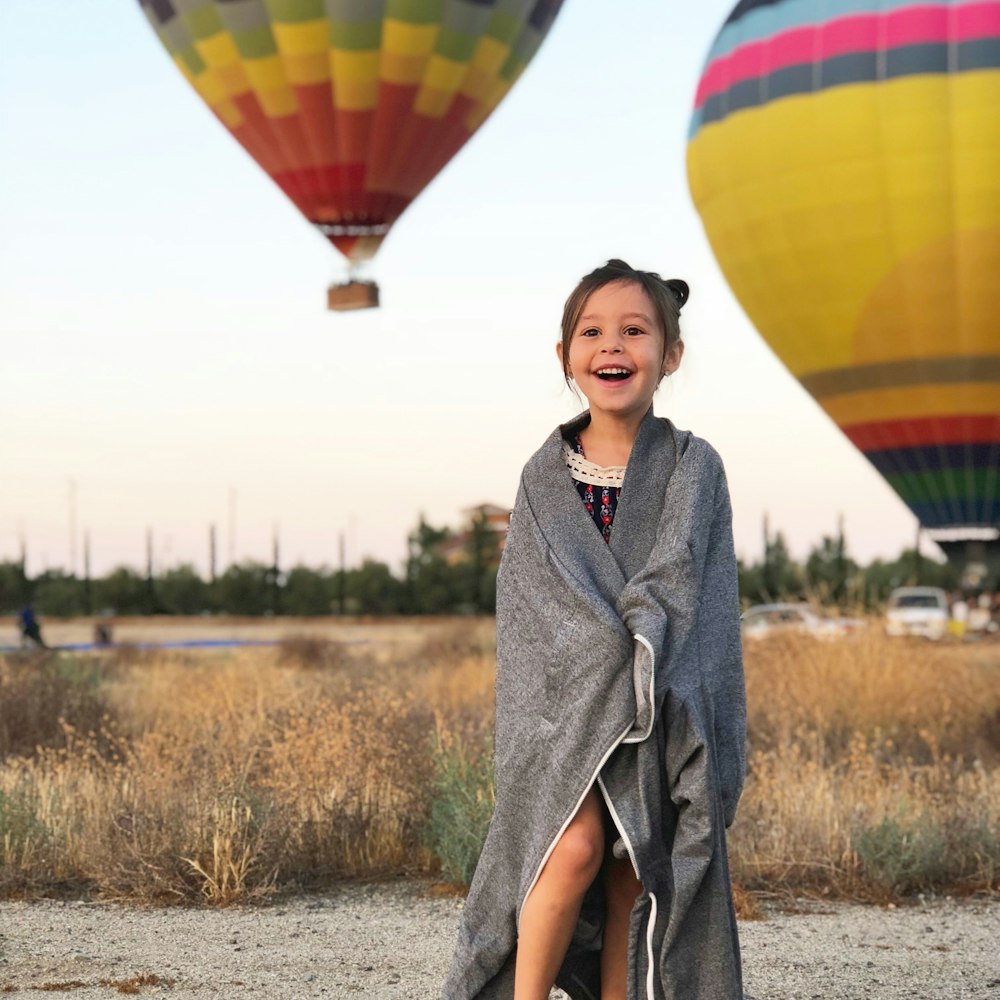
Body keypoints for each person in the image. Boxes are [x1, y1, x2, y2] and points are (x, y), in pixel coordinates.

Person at [443, 260, 747, 1000]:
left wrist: (639, 654)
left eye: (635, 331)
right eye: (592, 331)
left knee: (635, 871)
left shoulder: (692, 466)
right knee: (572, 847)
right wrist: (601, 653)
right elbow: (533, 606)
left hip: (656, 707)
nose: (613, 346)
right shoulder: (543, 478)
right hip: (563, 715)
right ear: (565, 357)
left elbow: (685, 585)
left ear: (669, 355)